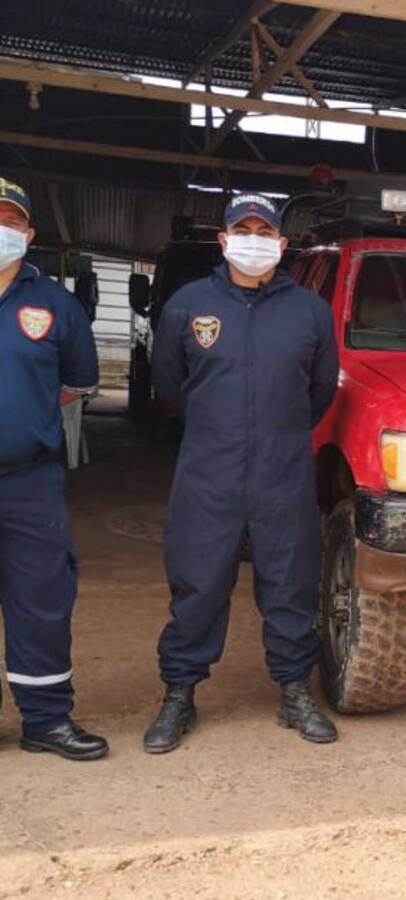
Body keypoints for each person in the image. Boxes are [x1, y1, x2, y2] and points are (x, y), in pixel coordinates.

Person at [144, 193, 339, 752]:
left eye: (264, 231)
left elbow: (320, 391)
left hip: (283, 467)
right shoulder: (189, 304)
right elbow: (172, 386)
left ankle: (294, 690)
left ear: (281, 244)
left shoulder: (309, 312)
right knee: (199, 582)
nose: (253, 239)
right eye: (242, 229)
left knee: (290, 582)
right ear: (224, 240)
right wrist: (219, 430)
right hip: (210, 467)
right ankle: (179, 693)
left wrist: (277, 431)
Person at [0, 177, 108, 760]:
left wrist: (24, 413)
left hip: (28, 482)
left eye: (9, 220)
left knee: (40, 601)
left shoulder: (54, 306)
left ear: (28, 234)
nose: (1, 229)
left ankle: (45, 720)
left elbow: (78, 383)